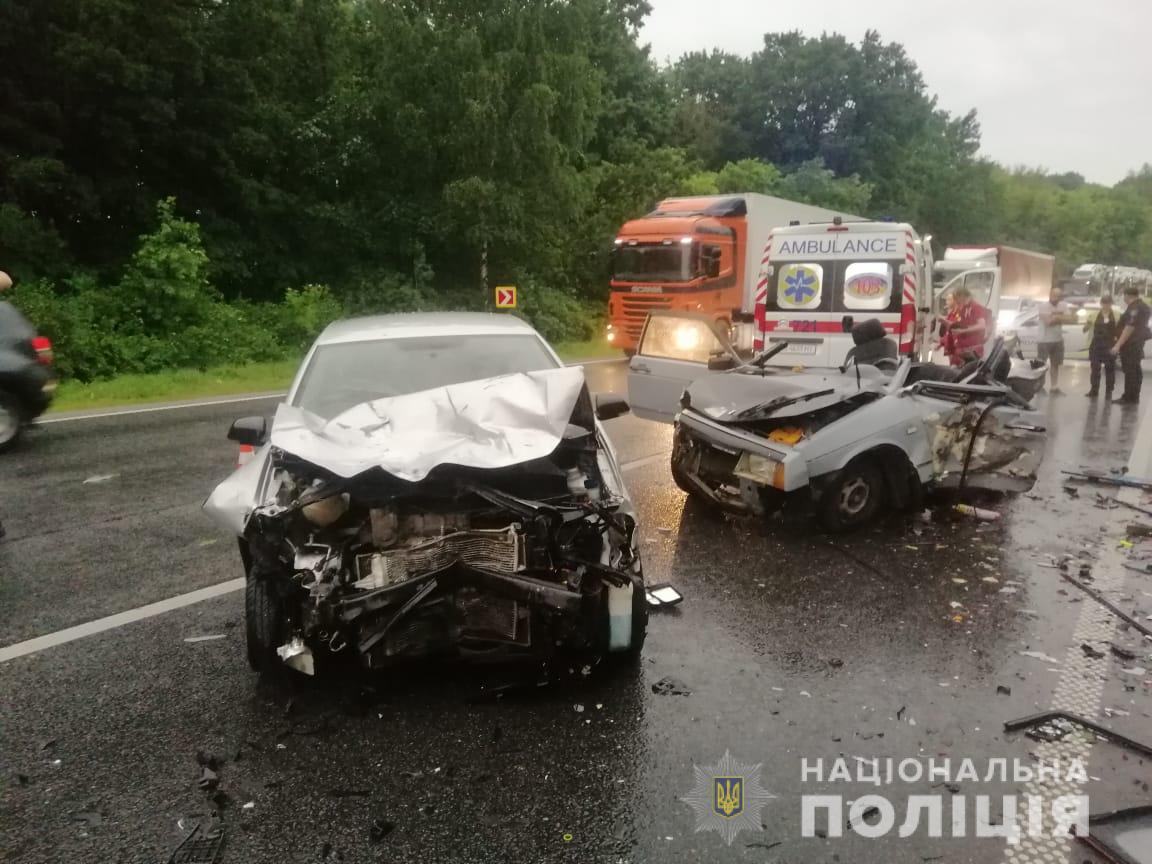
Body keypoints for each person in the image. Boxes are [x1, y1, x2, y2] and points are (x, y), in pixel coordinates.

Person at [1111, 285, 1150, 405]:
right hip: (1137, 342)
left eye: (1124, 295)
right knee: (1135, 370)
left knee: (1130, 371)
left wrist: (1118, 345)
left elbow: (1129, 327)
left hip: (1131, 344)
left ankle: (1128, 397)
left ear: (1127, 295)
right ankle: (1133, 396)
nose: (1123, 297)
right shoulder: (1143, 306)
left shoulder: (1135, 308)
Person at [1036, 285, 1071, 394]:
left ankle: (1054, 387)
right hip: (1044, 340)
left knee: (1055, 364)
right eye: (1055, 295)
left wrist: (1055, 317)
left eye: (1059, 296)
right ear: (1050, 295)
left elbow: (1070, 319)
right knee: (1041, 364)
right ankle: (1039, 387)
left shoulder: (1063, 305)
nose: (1057, 298)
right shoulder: (1043, 306)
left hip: (1057, 339)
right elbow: (1048, 322)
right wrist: (1061, 317)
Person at [1084, 295, 1119, 398]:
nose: (1106, 305)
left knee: (1110, 369)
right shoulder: (1094, 315)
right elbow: (1086, 328)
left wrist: (1118, 345)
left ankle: (1109, 390)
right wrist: (1086, 326)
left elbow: (1120, 329)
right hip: (1096, 345)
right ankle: (1094, 390)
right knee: (1095, 368)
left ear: (1111, 304)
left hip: (1110, 344)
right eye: (1104, 303)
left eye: (1108, 303)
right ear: (1101, 304)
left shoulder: (1117, 315)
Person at [944, 286, 988, 367]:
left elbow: (982, 325)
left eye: (957, 299)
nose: (957, 302)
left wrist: (963, 331)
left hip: (972, 350)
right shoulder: (965, 308)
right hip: (963, 350)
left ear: (962, 296)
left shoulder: (976, 307)